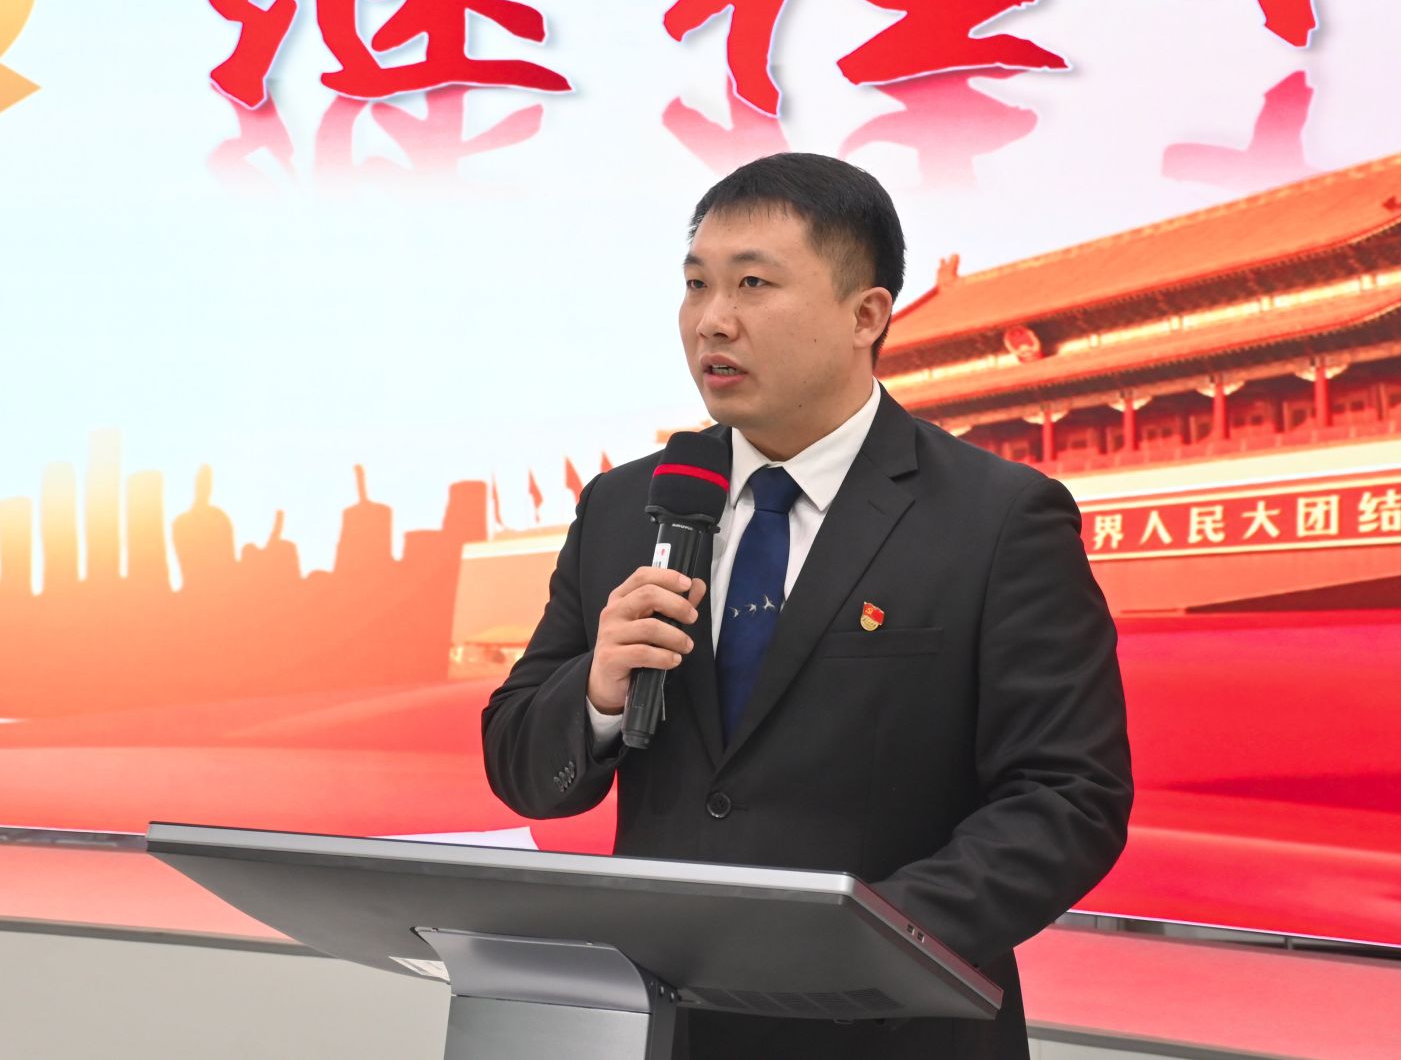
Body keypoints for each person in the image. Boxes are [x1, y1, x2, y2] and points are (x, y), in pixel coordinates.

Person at [481, 152, 1132, 1060]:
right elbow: (519, 761)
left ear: (867, 314)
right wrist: (595, 692)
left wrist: (867, 944)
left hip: (891, 1032)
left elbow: (1068, 796)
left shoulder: (996, 518)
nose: (713, 319)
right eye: (696, 284)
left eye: (753, 283)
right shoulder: (630, 506)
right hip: (662, 1034)